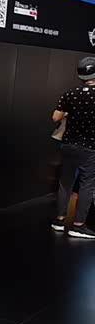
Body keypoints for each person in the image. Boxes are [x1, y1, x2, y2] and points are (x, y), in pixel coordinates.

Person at [51, 57, 95, 239]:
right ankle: (78, 225)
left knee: (65, 183)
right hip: (90, 147)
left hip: (68, 144)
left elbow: (55, 117)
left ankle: (59, 220)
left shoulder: (70, 93)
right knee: (87, 185)